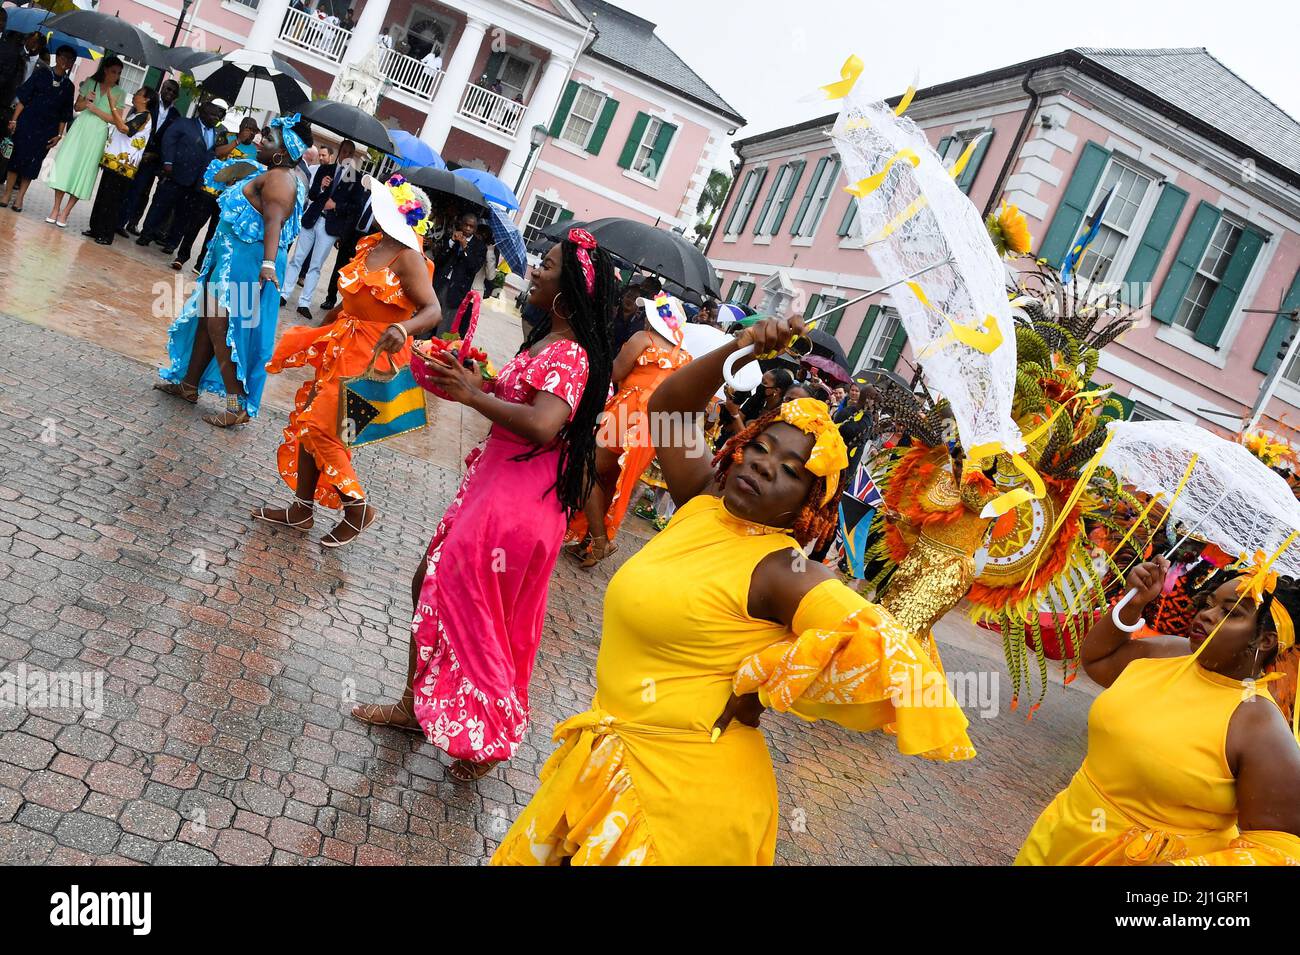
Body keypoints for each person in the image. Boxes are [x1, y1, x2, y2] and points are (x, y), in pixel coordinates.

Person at [491, 316, 975, 866]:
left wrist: (769, 677)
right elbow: (670, 407)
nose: (766, 468)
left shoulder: (784, 571)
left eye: (791, 470)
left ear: (808, 502)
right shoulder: (700, 501)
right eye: (762, 448)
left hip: (683, 806)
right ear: (740, 445)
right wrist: (740, 346)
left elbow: (893, 657)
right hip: (614, 762)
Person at [349, 228, 614, 782]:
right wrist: (465, 379)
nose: (535, 270)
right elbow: (518, 402)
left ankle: (488, 738)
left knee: (476, 616)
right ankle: (417, 706)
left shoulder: (570, 353)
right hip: (495, 490)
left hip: (515, 507)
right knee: (436, 583)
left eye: (547, 265)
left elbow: (545, 424)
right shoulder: (548, 341)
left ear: (569, 288)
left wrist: (475, 395)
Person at [1016, 557, 1300, 866]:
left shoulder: (1261, 728)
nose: (1206, 615)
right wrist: (1133, 603)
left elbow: (1278, 850)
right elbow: (1099, 661)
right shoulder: (1171, 653)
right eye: (1209, 604)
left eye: (1229, 612)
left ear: (1265, 640)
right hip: (1060, 833)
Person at [254, 175, 439, 547]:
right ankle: (302, 508)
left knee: (328, 428)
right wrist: (333, 316)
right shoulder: (373, 243)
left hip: (376, 355)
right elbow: (357, 295)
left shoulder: (410, 258)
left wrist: (403, 329)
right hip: (343, 343)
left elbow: (432, 310)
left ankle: (357, 509)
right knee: (312, 420)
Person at [153, 113, 311, 427]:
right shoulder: (273, 172)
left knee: (220, 325)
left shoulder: (279, 179)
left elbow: (274, 223)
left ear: (283, 151)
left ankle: (237, 402)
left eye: (269, 137)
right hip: (233, 257)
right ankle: (189, 385)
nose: (261, 140)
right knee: (207, 320)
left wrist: (266, 265)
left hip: (247, 262)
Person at [567, 292, 692, 567]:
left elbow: (615, 373)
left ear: (652, 320)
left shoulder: (642, 339)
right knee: (611, 481)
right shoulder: (684, 357)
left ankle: (599, 541)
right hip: (653, 428)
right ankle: (589, 543)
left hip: (626, 415)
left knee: (587, 469)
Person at [136, 97, 232, 255]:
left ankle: (172, 243)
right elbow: (168, 140)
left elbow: (214, 153)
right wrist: (168, 162)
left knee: (184, 215)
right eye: (213, 115)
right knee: (161, 206)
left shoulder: (217, 133)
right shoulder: (184, 123)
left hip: (196, 182)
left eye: (217, 116)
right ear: (202, 113)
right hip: (174, 175)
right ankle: (146, 234)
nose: (216, 119)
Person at [282, 138, 361, 321]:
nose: (346, 155)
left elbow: (355, 207)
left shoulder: (354, 178)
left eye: (350, 153)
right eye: (344, 151)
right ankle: (284, 294)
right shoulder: (325, 169)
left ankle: (304, 303)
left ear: (353, 155)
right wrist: (321, 187)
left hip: (330, 226)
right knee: (297, 258)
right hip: (312, 219)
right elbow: (312, 193)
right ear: (339, 152)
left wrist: (337, 206)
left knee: (316, 265)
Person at [173, 116, 260, 273]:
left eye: (255, 132)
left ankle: (201, 264)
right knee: (194, 225)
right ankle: (181, 256)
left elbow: (251, 174)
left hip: (229, 198)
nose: (252, 134)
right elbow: (218, 153)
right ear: (242, 128)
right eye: (249, 130)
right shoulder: (226, 136)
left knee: (214, 232)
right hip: (210, 191)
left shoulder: (254, 151)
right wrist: (237, 141)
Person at [47, 55, 125, 227]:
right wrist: (86, 100)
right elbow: (77, 107)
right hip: (80, 128)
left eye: (119, 73)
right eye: (113, 71)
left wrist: (95, 108)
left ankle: (65, 213)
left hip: (98, 133)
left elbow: (115, 119)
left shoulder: (120, 93)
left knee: (84, 169)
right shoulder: (91, 82)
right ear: (105, 69)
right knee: (66, 165)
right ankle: (55, 208)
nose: (116, 76)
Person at [1, 44, 75, 214]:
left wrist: (59, 134)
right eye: (64, 57)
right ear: (58, 57)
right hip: (27, 121)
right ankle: (6, 194)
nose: (66, 62)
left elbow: (65, 113)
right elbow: (24, 98)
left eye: (70, 60)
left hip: (47, 130)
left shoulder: (69, 87)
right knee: (16, 159)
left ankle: (20, 198)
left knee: (33, 164)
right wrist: (14, 120)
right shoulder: (41, 73)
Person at [83, 84, 156, 246]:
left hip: (123, 168)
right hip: (113, 162)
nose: (135, 95)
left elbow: (124, 129)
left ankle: (106, 234)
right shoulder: (135, 114)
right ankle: (96, 228)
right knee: (103, 197)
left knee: (112, 201)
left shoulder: (144, 116)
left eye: (138, 93)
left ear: (146, 99)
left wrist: (112, 105)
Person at [122, 78, 180, 236]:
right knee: (127, 187)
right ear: (162, 88)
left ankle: (132, 222)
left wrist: (156, 155)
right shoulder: (150, 104)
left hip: (154, 159)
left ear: (177, 96)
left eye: (174, 92)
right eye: (168, 89)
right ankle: (118, 220)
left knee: (142, 192)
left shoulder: (176, 115)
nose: (170, 93)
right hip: (136, 152)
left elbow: (171, 140)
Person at [432, 210, 487, 333]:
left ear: (475, 229)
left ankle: (436, 349)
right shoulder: (451, 237)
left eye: (471, 226)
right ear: (461, 224)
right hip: (440, 283)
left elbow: (473, 267)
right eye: (465, 225)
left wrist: (465, 247)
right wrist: (451, 242)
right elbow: (439, 259)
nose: (467, 228)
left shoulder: (480, 246)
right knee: (429, 317)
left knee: (444, 326)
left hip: (457, 290)